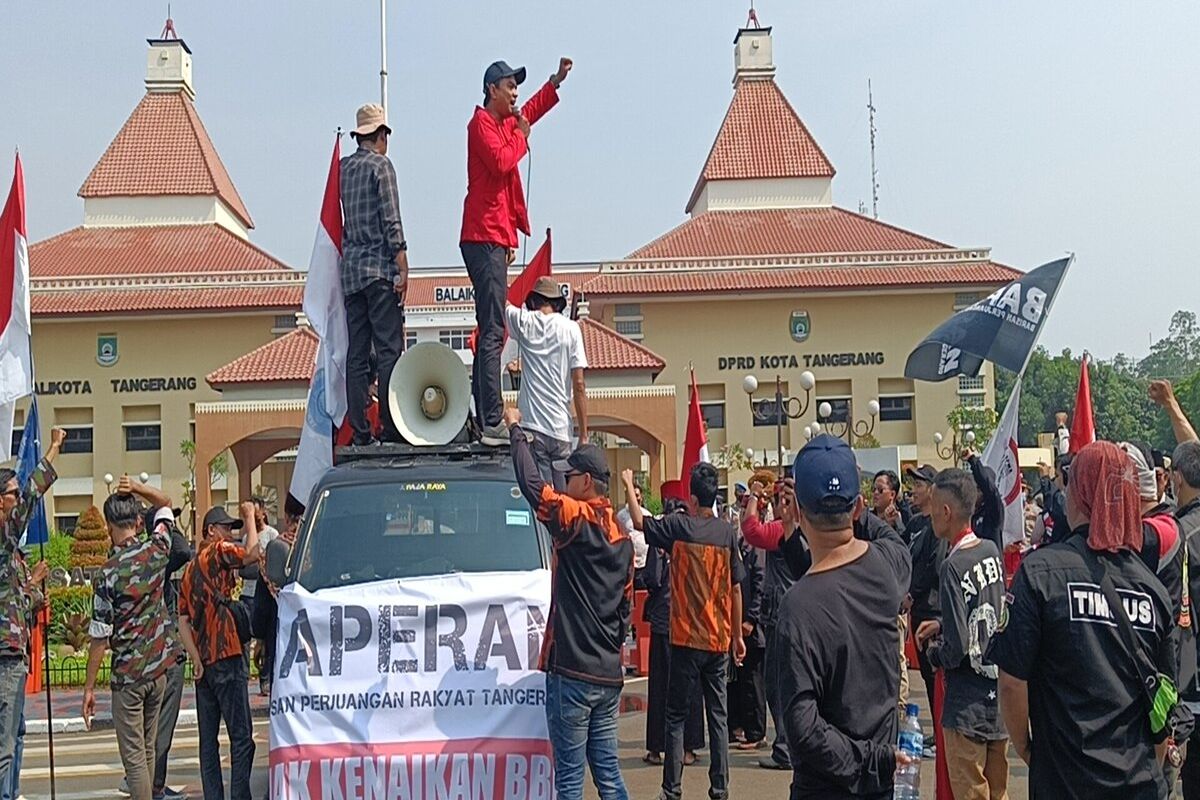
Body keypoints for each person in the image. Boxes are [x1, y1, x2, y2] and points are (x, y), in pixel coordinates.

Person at [989, 440, 1179, 797]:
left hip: (1064, 780)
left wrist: (1030, 750)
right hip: (1137, 782)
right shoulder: (1152, 588)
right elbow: (1164, 697)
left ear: (1078, 494)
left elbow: (1012, 681)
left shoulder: (1040, 572)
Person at [775, 434, 913, 797]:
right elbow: (893, 541)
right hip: (882, 784)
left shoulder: (797, 606)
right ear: (858, 507)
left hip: (826, 787)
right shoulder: (888, 567)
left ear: (799, 513)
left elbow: (802, 729)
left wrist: (868, 759)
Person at [505, 406, 632, 800]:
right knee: (609, 774)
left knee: (570, 783)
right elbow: (625, 613)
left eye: (570, 475)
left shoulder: (576, 519)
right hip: (607, 675)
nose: (563, 480)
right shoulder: (624, 539)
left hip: (572, 673)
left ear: (587, 481)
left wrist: (516, 432)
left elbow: (532, 486)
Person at [462, 57, 572, 445]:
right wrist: (521, 136)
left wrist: (555, 82)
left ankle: (485, 411)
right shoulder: (481, 125)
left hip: (493, 234)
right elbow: (502, 160)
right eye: (510, 86)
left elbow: (531, 113)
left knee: (491, 327)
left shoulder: (504, 122)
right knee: (493, 329)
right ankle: (491, 417)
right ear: (492, 89)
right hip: (483, 234)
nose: (515, 93)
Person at [621, 463, 745, 800]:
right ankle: (720, 789)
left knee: (675, 716)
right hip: (718, 639)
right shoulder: (726, 534)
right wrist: (737, 636)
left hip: (685, 636)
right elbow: (735, 588)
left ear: (691, 498)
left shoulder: (680, 527)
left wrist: (630, 485)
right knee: (717, 718)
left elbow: (638, 522)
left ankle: (671, 790)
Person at [914, 469, 1008, 799]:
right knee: (998, 791)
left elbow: (955, 650)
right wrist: (945, 623)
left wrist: (933, 652)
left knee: (970, 792)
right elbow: (993, 611)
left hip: (965, 702)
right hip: (997, 699)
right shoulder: (990, 551)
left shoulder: (953, 566)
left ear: (945, 512)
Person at [83, 488, 181, 800]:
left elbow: (99, 637)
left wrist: (88, 688)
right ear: (138, 522)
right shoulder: (157, 549)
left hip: (128, 677)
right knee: (149, 748)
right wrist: (137, 488)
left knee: (135, 758)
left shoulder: (107, 574)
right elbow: (165, 504)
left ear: (110, 525)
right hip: (158, 672)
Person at [113, 478, 192, 800]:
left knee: (145, 739)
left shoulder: (117, 560)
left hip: (136, 663)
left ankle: (149, 785)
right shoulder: (154, 555)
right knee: (153, 733)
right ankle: (152, 786)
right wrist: (142, 493)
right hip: (158, 656)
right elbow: (184, 549)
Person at [178, 504, 262, 800]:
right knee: (241, 738)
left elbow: (182, 619)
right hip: (227, 651)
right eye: (225, 528)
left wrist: (196, 659)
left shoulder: (188, 569)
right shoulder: (216, 551)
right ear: (211, 530)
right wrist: (251, 517)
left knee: (208, 742)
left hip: (204, 662)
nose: (230, 533)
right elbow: (252, 553)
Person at [340, 102, 408, 446]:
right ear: (381, 135)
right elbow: (390, 217)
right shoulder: (382, 167)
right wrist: (402, 262)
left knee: (357, 352)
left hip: (350, 273)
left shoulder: (342, 169)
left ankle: (360, 430)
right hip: (379, 270)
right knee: (388, 350)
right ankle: (391, 426)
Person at [0, 426, 63, 794]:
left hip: (14, 651)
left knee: (16, 733)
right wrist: (53, 448)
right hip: (5, 655)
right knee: (5, 745)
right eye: (10, 494)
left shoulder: (10, 552)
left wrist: (32, 589)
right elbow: (31, 496)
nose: (15, 500)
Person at [642, 497, 706, 767]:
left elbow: (652, 579)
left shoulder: (664, 544)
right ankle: (684, 748)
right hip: (684, 622)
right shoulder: (689, 541)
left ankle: (664, 748)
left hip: (670, 621)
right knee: (684, 686)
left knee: (664, 687)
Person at [505, 276, 588, 483]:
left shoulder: (525, 322)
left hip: (533, 427)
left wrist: (503, 263)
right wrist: (584, 434)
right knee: (562, 501)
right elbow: (579, 385)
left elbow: (501, 301)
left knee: (541, 499)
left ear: (533, 302)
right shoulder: (571, 329)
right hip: (561, 428)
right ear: (558, 303)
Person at [903, 463, 941, 723]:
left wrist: (911, 595)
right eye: (913, 485)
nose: (914, 490)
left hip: (931, 609)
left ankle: (941, 731)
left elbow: (932, 567)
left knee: (935, 673)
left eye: (919, 485)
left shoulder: (937, 525)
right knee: (927, 676)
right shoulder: (915, 522)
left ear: (932, 490)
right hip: (916, 609)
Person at [729, 529, 766, 750]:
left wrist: (751, 619)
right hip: (737, 625)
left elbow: (760, 587)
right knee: (739, 681)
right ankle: (740, 726)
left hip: (752, 628)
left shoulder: (757, 550)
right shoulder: (740, 547)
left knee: (754, 681)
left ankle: (756, 732)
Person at [242, 497, 278, 697]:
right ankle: (248, 676)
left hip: (266, 592)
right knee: (249, 639)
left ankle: (266, 679)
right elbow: (243, 564)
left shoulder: (272, 535)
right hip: (248, 593)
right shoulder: (247, 537)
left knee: (266, 640)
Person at [617, 482, 651, 572]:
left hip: (645, 563)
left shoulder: (647, 515)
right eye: (633, 495)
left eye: (637, 495)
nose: (635, 498)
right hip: (627, 563)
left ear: (641, 497)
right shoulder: (620, 516)